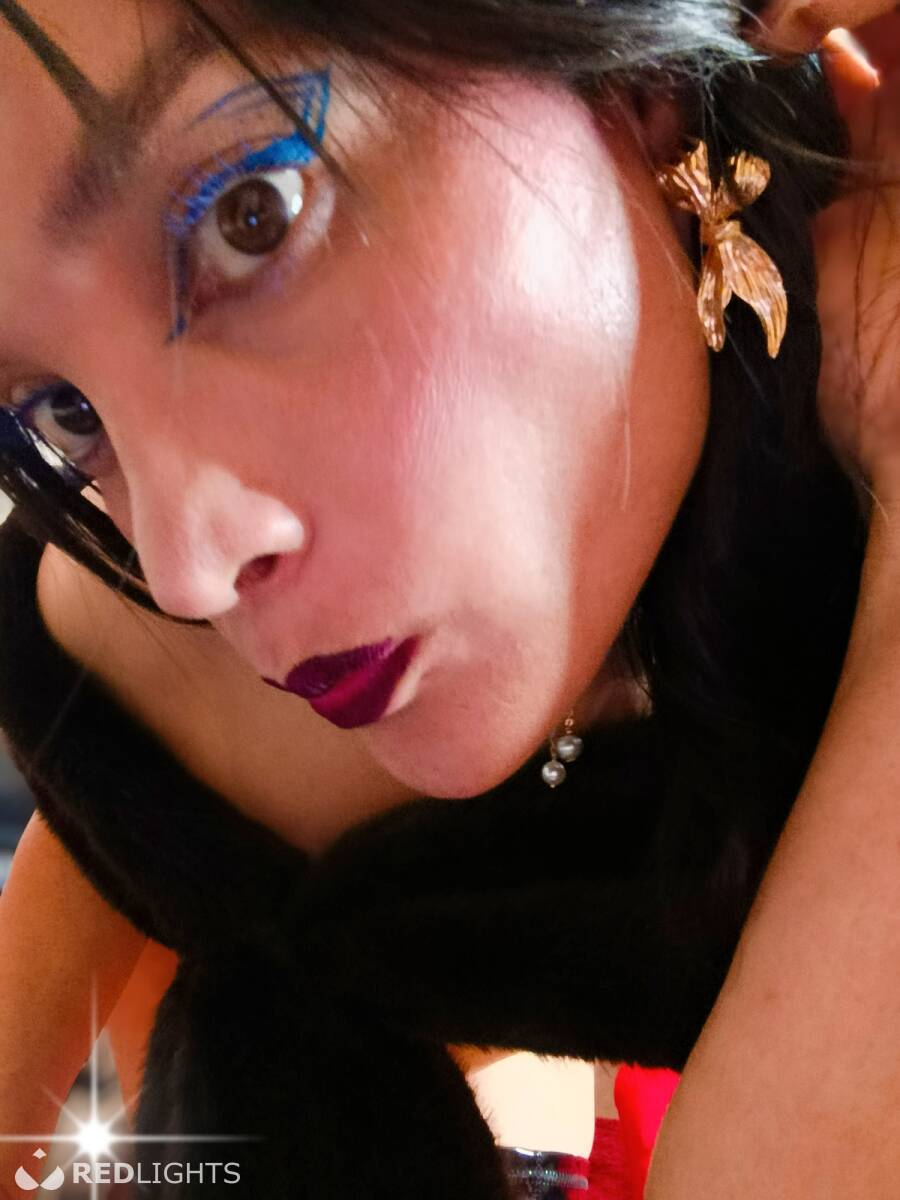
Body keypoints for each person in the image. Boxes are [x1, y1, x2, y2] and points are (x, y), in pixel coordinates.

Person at [0, 0, 895, 1197]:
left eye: (249, 215)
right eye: (63, 410)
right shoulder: (126, 673)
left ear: (639, 81)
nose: (187, 567)